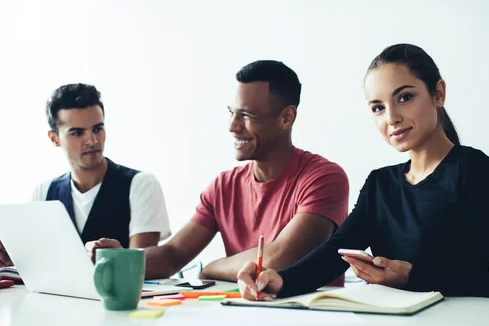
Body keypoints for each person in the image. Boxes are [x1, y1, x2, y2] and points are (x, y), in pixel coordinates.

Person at [237, 44, 489, 302]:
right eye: (378, 108)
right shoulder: (380, 184)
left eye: (404, 97)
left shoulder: (476, 173)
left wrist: (415, 278)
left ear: (439, 93)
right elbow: (333, 253)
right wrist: (280, 280)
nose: (392, 118)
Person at [87, 60, 350, 283]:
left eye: (246, 115)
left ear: (286, 117)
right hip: (241, 319)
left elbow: (278, 259)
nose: (232, 126)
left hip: (310, 321)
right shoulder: (223, 186)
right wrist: (121, 259)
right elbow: (173, 255)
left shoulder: (324, 178)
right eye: (231, 113)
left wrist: (211, 269)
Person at [0, 84, 171, 268]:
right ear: (54, 138)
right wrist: (13, 258)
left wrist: (119, 259)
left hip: (120, 297)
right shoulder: (43, 194)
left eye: (97, 129)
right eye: (78, 133)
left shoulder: (140, 184)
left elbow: (141, 267)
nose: (92, 140)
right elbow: (36, 264)